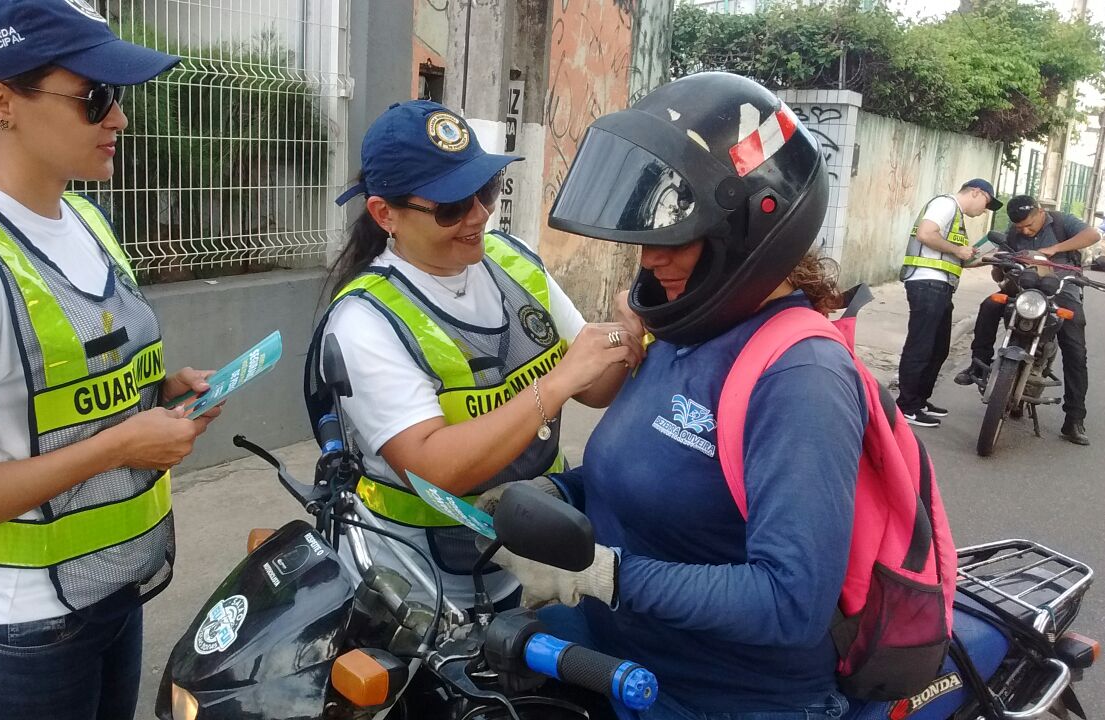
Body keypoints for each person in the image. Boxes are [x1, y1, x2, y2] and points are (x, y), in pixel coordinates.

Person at [0, 1, 221, 717]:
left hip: (103, 600)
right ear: (0, 103)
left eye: (117, 96)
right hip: (5, 636)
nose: (118, 118)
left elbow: (52, 388)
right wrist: (118, 445)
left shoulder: (84, 220)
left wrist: (153, 393)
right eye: (94, 96)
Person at [481, 72, 867, 719]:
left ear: (748, 230)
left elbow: (790, 599)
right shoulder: (683, 329)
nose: (648, 257)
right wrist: (558, 498)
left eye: (673, 237)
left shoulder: (801, 378)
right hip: (618, 656)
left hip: (720, 696)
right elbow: (664, 481)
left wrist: (605, 575)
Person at [305, 100, 640, 611]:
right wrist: (552, 387)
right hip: (425, 582)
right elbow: (433, 465)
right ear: (384, 214)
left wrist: (630, 340)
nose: (479, 215)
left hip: (538, 553)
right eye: (451, 207)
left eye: (484, 190)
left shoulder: (512, 262)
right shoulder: (366, 320)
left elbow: (594, 388)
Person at [953, 195, 1101, 445]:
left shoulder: (1062, 222)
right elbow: (999, 265)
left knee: (1076, 351)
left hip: (1062, 289)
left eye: (1028, 225)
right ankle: (978, 365)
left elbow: (1093, 235)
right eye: (1019, 227)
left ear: (1040, 212)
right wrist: (1000, 265)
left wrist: (1054, 249)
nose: (1024, 230)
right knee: (989, 306)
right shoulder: (1013, 232)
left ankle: (1074, 418)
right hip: (1024, 286)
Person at [894, 178, 1001, 427]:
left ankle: (919, 400)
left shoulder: (956, 217)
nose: (985, 210)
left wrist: (988, 257)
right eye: (986, 202)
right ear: (975, 192)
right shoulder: (945, 204)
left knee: (939, 348)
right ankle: (906, 406)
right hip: (926, 283)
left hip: (940, 286)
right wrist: (956, 249)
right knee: (920, 347)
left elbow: (958, 259)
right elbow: (925, 233)